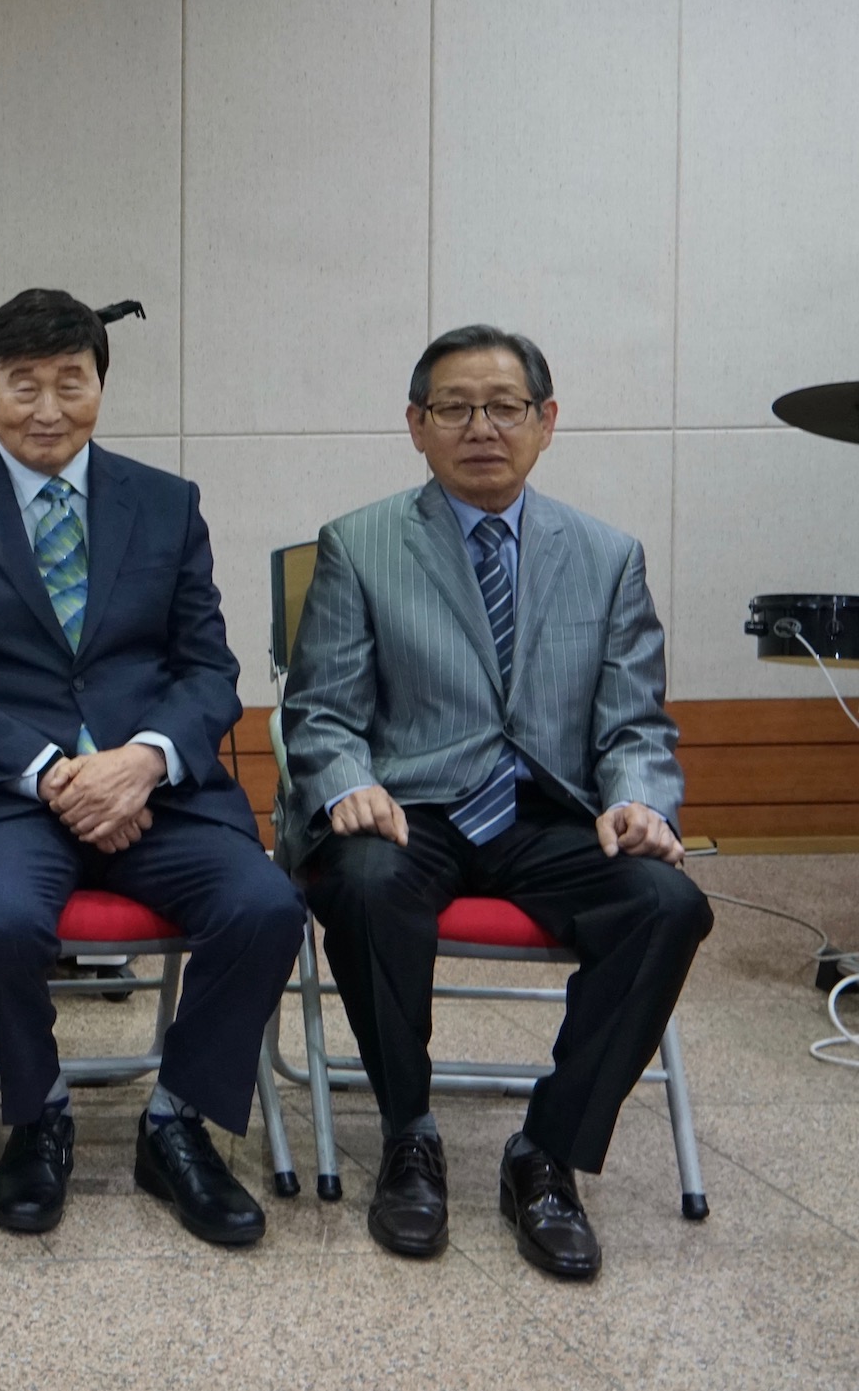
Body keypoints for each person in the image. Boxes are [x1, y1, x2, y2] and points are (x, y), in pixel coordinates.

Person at [281, 325, 711, 1280]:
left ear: (546, 421)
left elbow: (635, 723)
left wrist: (640, 801)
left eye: (505, 406)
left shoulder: (607, 555)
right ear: (417, 425)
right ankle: (409, 1134)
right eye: (455, 407)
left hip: (549, 812)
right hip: (412, 806)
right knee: (361, 880)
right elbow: (320, 711)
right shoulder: (360, 543)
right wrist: (348, 781)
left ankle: (546, 1154)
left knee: (667, 903)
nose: (482, 427)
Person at [0, 288, 301, 1248]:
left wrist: (143, 762)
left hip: (155, 790)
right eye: (23, 384)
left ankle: (178, 1120)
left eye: (70, 382)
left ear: (101, 385)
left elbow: (209, 670)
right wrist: (54, 772)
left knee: (266, 906)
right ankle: (39, 1114)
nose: (47, 408)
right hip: (3, 793)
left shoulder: (167, 502)